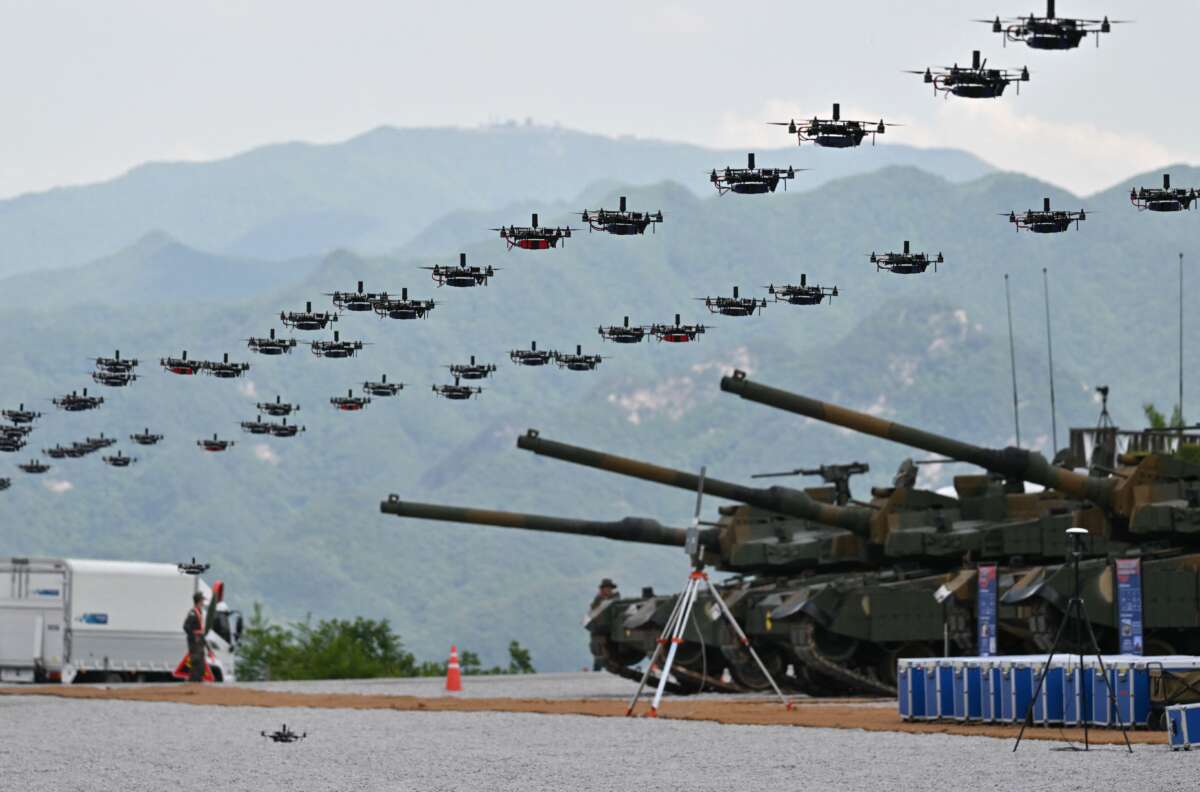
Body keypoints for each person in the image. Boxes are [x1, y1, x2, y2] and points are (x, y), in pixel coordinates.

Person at [590, 579, 619, 671]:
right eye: (606, 588)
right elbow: (593, 610)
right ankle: (597, 670)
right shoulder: (598, 599)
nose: (608, 590)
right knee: (599, 651)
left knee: (612, 651)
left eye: (609, 588)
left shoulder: (615, 598)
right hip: (599, 628)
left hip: (612, 629)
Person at [182, 591, 207, 682]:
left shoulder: (199, 612)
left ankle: (197, 683)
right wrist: (194, 638)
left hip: (199, 642)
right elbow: (186, 626)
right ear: (199, 601)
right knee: (196, 664)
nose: (203, 602)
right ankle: (193, 684)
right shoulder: (193, 613)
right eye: (202, 600)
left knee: (201, 666)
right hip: (195, 643)